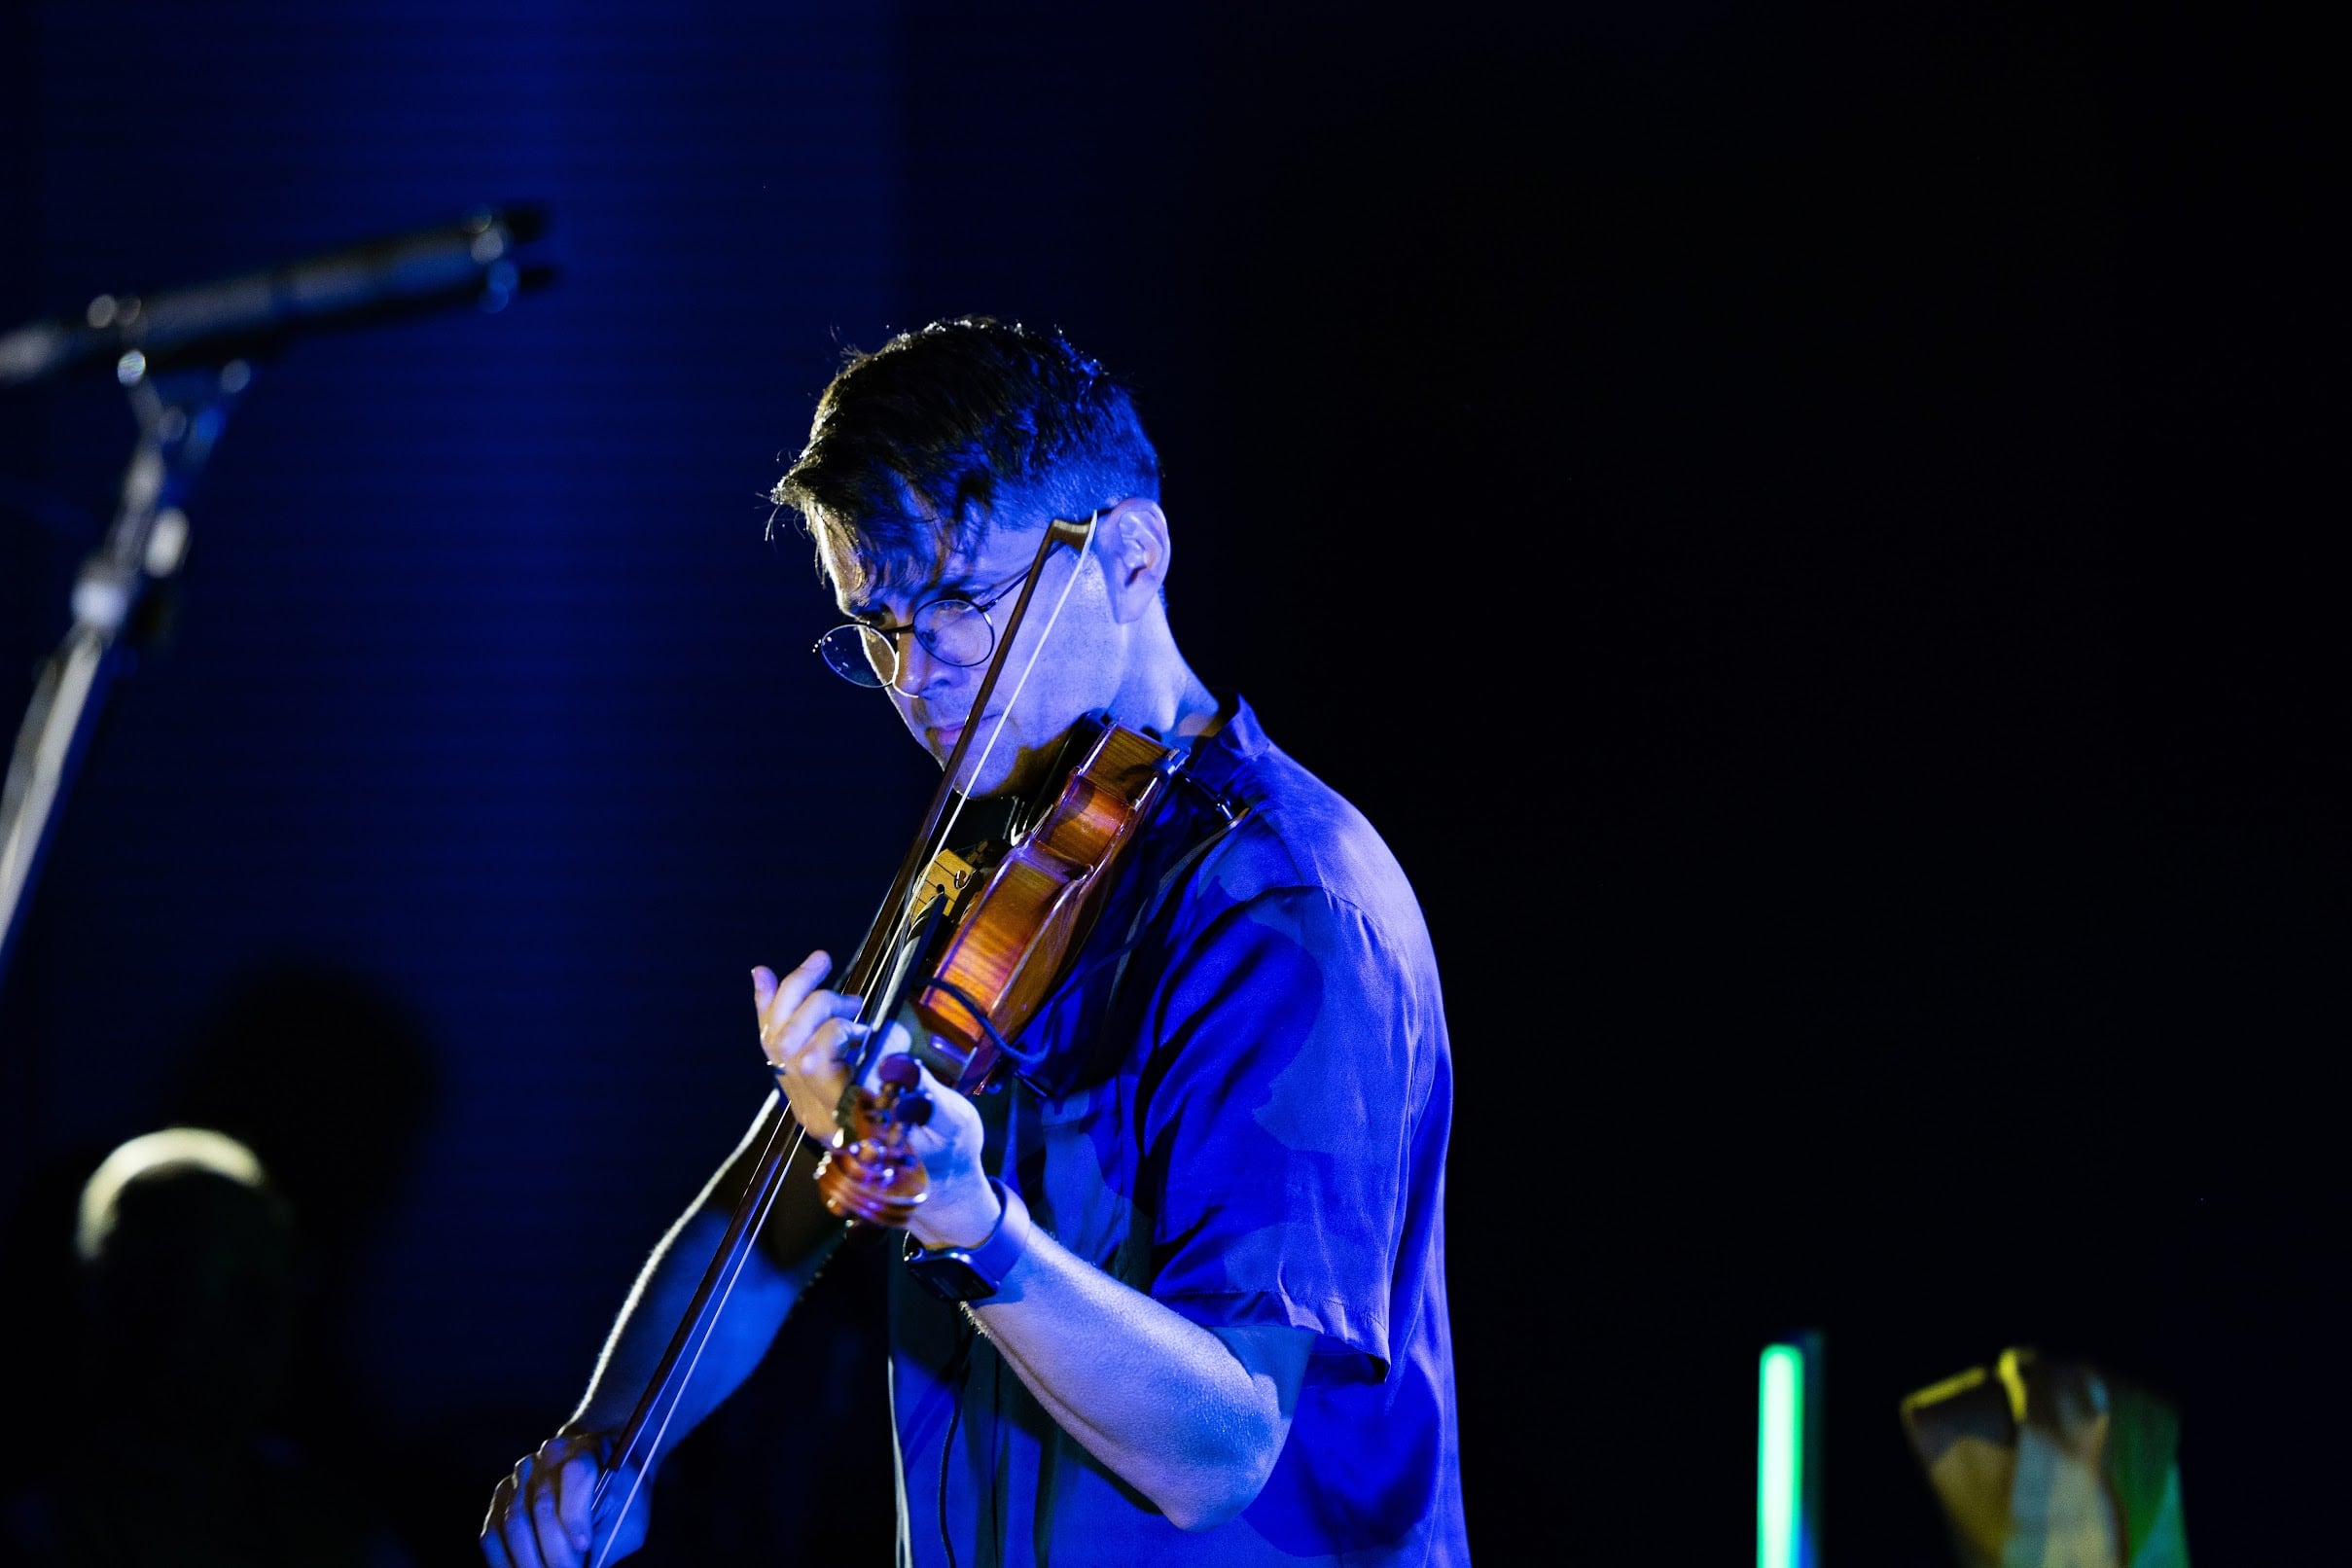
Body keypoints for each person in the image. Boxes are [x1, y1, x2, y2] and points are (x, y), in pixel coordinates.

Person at [481, 316, 1466, 1566]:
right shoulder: (995, 854)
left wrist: (974, 1224)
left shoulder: (1287, 903)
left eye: (960, 602)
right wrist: (613, 1444)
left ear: (1133, 557)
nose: (921, 672)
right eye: (876, 627)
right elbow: (765, 1212)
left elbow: (1225, 1451)